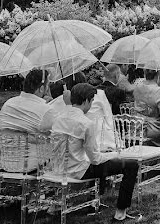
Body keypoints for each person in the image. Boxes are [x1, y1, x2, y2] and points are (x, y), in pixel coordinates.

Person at [51, 83, 140, 222]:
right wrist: (115, 154)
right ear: (86, 100)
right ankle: (120, 212)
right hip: (78, 170)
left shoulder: (58, 119)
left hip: (58, 168)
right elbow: (95, 159)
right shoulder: (86, 123)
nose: (92, 105)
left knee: (101, 160)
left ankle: (94, 202)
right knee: (131, 165)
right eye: (92, 101)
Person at [0, 68, 51, 133]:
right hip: (31, 142)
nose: (48, 89)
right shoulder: (46, 110)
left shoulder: (8, 103)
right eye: (48, 85)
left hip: (4, 141)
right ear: (41, 89)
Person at [132, 69, 160, 144]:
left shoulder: (137, 87)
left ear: (145, 74)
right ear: (158, 75)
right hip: (154, 129)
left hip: (137, 127)